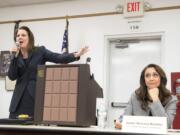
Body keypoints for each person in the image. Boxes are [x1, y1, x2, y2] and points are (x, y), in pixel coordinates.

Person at [8, 26, 88, 119]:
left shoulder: (39, 51)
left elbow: (57, 57)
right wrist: (14, 57)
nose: (20, 37)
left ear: (29, 38)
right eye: (18, 36)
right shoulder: (16, 56)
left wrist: (75, 55)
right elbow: (12, 76)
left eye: (23, 35)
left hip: (34, 97)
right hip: (18, 100)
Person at [115, 64, 177, 128]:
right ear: (144, 80)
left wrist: (155, 99)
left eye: (155, 75)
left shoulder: (171, 99)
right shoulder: (135, 96)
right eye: (147, 76)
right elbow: (124, 117)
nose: (151, 78)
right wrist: (119, 122)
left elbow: (166, 125)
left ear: (161, 78)